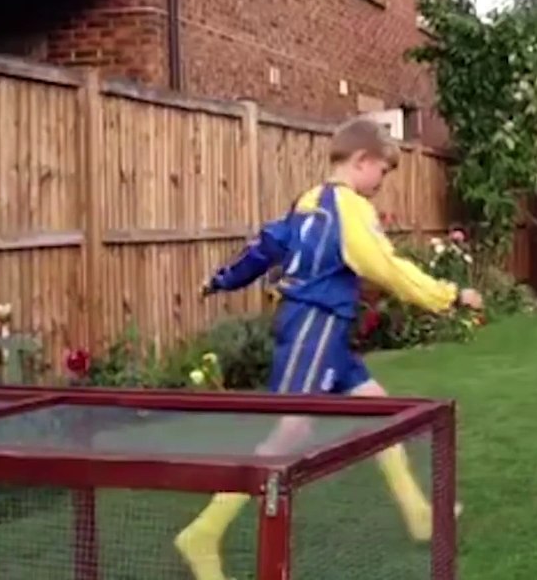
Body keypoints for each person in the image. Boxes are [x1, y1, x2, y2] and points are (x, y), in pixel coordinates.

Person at [175, 115, 481, 580]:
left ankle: (418, 515)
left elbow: (264, 247)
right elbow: (385, 267)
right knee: (288, 436)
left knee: (381, 413)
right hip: (313, 328)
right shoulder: (350, 209)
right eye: (383, 171)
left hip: (324, 334)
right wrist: (449, 295)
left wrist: (220, 280)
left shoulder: (308, 202)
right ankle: (202, 534)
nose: (382, 183)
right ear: (362, 161)